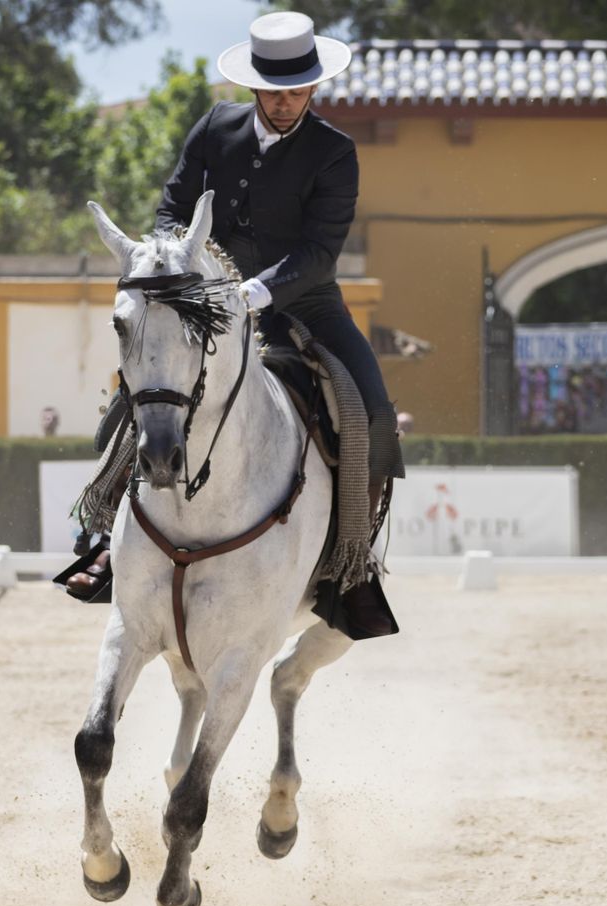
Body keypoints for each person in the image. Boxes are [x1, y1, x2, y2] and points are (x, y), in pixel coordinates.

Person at [65, 12, 399, 636]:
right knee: (140, 391)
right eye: (273, 90)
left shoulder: (334, 152)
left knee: (373, 411)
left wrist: (253, 292)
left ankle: (350, 571)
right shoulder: (214, 127)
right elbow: (172, 207)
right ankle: (106, 541)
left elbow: (319, 252)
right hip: (198, 298)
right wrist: (172, 262)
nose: (284, 101)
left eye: (295, 90)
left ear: (313, 87)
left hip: (304, 303)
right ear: (254, 87)